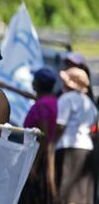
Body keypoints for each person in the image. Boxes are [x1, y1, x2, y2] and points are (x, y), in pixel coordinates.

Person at [55, 67, 98, 204]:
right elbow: (94, 128)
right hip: (87, 149)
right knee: (82, 193)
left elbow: (60, 125)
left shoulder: (66, 99)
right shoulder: (89, 103)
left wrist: (51, 143)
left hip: (69, 147)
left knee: (66, 191)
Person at [17, 67, 59, 204]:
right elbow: (28, 95)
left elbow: (43, 135)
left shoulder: (41, 106)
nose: (32, 82)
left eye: (34, 79)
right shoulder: (52, 100)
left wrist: (34, 164)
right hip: (45, 153)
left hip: (38, 155)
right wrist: (7, 87)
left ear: (38, 84)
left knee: (33, 196)